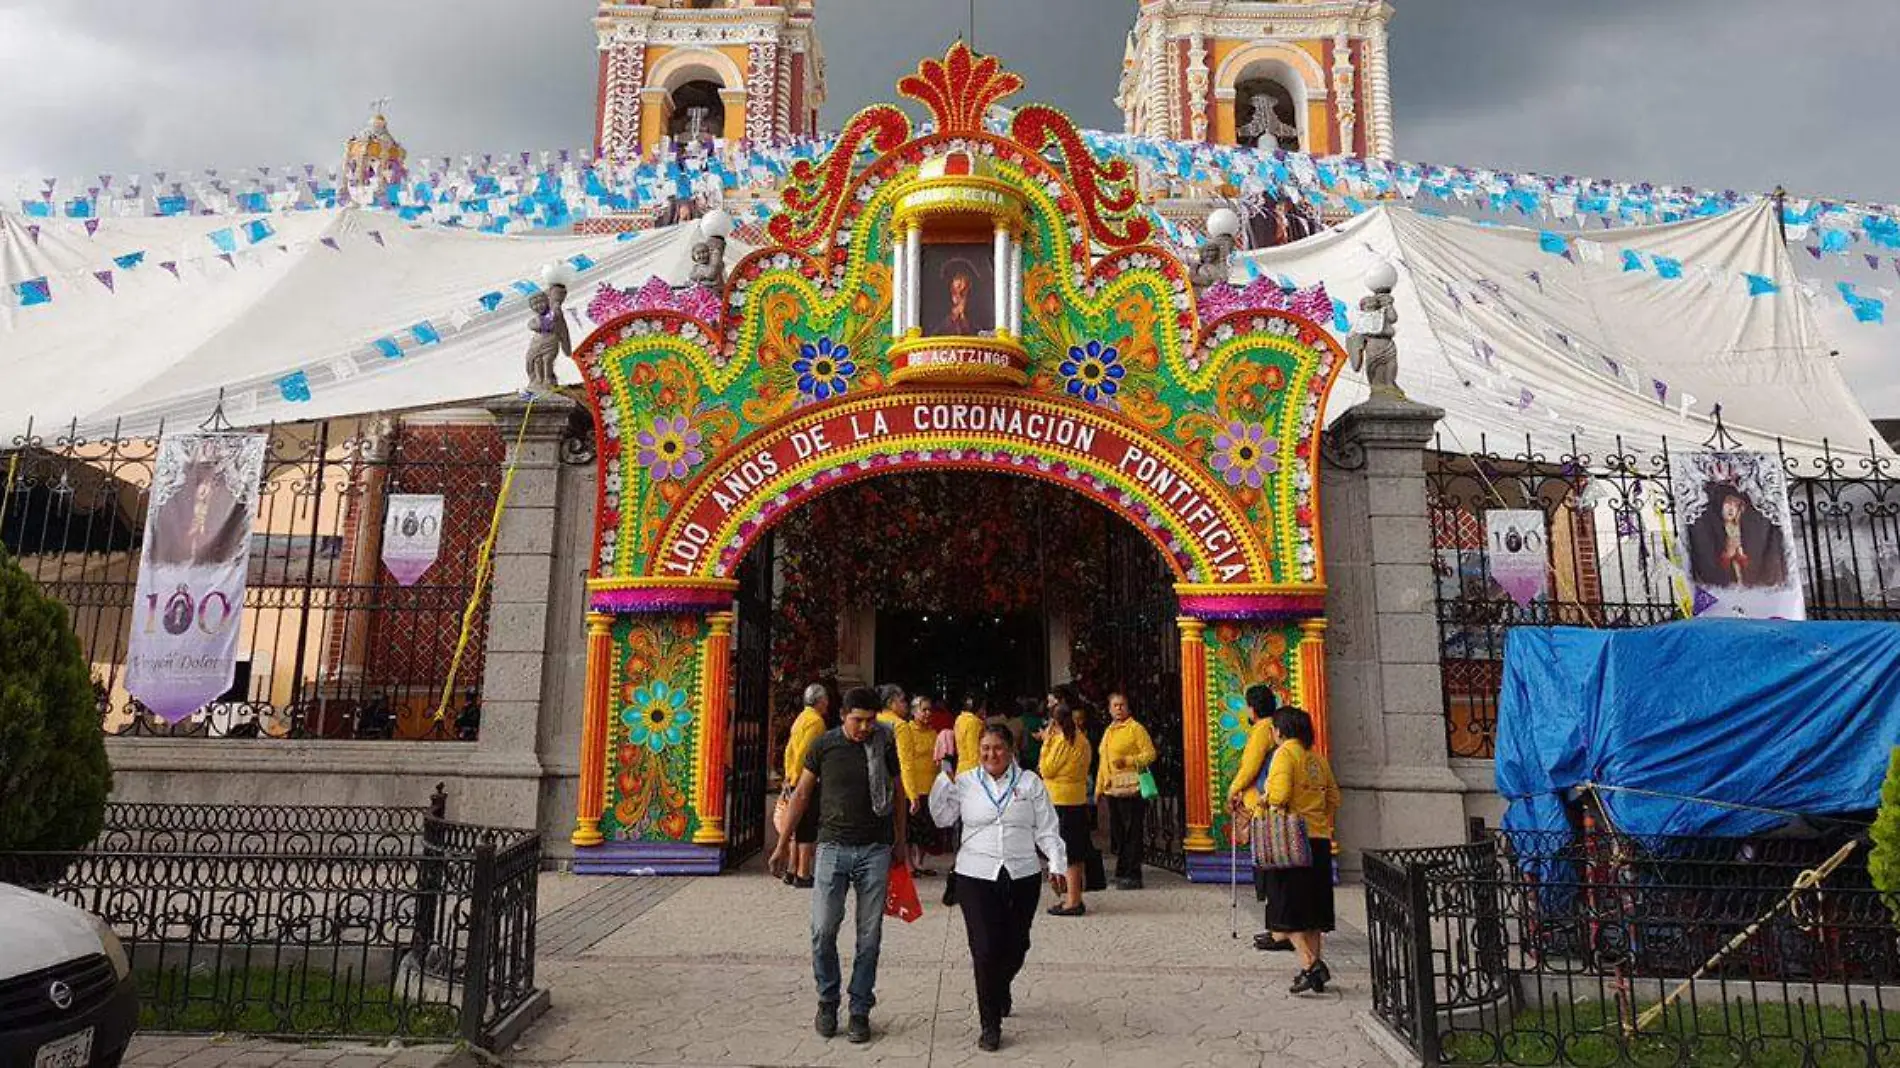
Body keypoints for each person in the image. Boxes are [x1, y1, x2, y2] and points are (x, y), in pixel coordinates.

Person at [768, 687, 908, 1044]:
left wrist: (900, 841)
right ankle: (828, 1000)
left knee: (869, 935)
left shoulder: (884, 743)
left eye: (870, 721)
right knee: (822, 929)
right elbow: (801, 794)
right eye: (857, 720)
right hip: (832, 849)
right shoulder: (824, 746)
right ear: (842, 715)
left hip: (875, 849)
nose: (864, 728)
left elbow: (898, 792)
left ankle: (860, 1007)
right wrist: (783, 844)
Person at [930, 724, 1069, 1053]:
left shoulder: (1029, 783)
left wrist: (1057, 863)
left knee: (1018, 944)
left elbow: (1047, 827)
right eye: (985, 749)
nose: (991, 754)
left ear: (1011, 750)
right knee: (985, 948)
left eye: (998, 748)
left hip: (1021, 872)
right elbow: (942, 818)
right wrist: (942, 783)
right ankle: (989, 1023)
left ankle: (1000, 986)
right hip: (975, 874)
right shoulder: (965, 783)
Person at [1233, 707, 1341, 994]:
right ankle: (1314, 968)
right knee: (1313, 910)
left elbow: (1279, 796)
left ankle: (1310, 964)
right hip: (1317, 838)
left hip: (1291, 843)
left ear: (1279, 731)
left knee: (1285, 907)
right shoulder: (1316, 758)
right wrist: (1317, 818)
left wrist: (1258, 805)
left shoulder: (1285, 754)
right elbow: (1334, 797)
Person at [1225, 684, 1289, 952]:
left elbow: (1250, 766)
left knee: (1268, 869)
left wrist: (1233, 788)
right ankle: (1275, 928)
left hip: (1261, 804)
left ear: (1251, 708)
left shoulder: (1262, 729)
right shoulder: (1272, 727)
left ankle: (1279, 931)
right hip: (1268, 802)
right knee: (1270, 869)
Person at [1037, 698, 1093, 917]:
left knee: (1066, 851)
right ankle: (1072, 896)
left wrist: (1046, 742)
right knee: (1074, 851)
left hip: (1060, 799)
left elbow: (1047, 769)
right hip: (1076, 798)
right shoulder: (1082, 740)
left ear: (1055, 721)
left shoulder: (1062, 741)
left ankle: (1072, 900)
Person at [1096, 692, 1158, 890]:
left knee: (1133, 832)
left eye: (1122, 705)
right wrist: (1099, 788)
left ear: (1128, 707)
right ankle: (1122, 870)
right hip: (1113, 789)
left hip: (1131, 788)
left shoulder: (1135, 729)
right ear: (1109, 709)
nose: (1119, 709)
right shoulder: (1109, 731)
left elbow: (1150, 754)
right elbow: (1103, 762)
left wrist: (1129, 761)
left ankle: (1133, 874)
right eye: (1115, 705)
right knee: (1119, 833)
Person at [1688, 483, 1789, 589]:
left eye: (1736, 505)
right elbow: (1707, 566)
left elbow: (1750, 563)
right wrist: (1727, 555)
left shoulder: (1741, 529)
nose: (1732, 509)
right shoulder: (1711, 530)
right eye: (1728, 503)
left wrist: (1741, 557)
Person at [782, 683, 830, 889]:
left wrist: (788, 774)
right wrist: (803, 776)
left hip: (794, 778)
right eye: (826, 699)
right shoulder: (815, 722)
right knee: (807, 827)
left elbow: (790, 750)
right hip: (805, 780)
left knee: (796, 826)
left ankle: (792, 870)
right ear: (820, 701)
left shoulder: (801, 718)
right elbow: (806, 753)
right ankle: (803, 872)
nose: (827, 703)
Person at [895, 690, 942, 878]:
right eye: (923, 710)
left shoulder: (933, 733)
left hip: (930, 786)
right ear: (914, 712)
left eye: (929, 710)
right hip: (912, 787)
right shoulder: (906, 731)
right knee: (909, 830)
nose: (927, 714)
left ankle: (920, 862)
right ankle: (909, 864)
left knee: (926, 829)